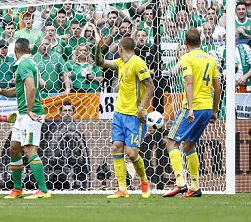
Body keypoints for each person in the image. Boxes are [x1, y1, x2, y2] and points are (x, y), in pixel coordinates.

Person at [163, 29, 221, 198]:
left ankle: (180, 183)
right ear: (201, 42)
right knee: (189, 145)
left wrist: (189, 109)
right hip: (206, 108)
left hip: (193, 108)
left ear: (185, 43)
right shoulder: (210, 59)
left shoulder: (186, 58)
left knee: (171, 143)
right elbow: (218, 87)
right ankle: (195, 186)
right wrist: (215, 110)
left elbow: (189, 82)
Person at [95, 35, 155, 199]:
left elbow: (151, 87)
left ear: (121, 48)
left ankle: (144, 181)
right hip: (119, 114)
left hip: (134, 116)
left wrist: (141, 108)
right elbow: (100, 63)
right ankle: (122, 189)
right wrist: (98, 48)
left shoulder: (138, 63)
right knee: (116, 147)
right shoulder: (120, 63)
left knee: (132, 153)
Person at [0, 38, 50, 199]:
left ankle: (43, 190)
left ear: (15, 51)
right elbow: (20, 90)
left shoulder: (24, 65)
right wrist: (2, 91)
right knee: (14, 148)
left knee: (30, 150)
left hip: (30, 113)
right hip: (22, 114)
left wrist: (30, 110)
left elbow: (31, 87)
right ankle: (17, 189)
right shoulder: (29, 64)